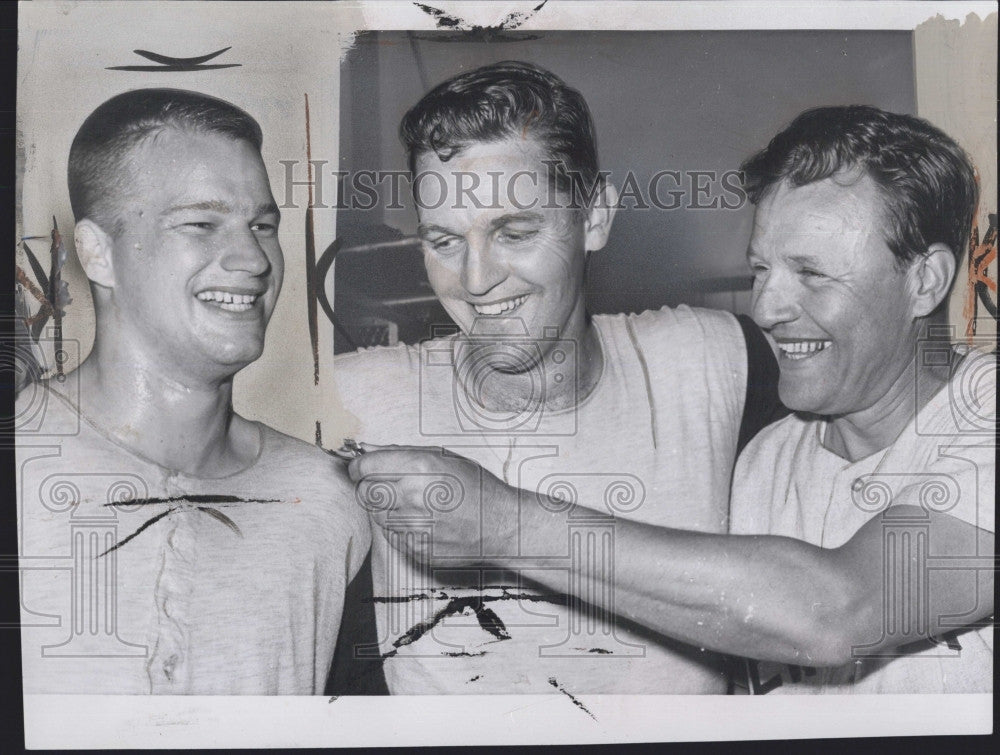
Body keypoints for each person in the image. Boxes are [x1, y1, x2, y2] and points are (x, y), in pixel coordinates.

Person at [350, 105, 995, 693]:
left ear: (924, 281)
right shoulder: (764, 463)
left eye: (812, 274)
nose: (768, 308)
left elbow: (839, 610)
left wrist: (506, 524)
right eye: (762, 269)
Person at [333, 61, 784, 695]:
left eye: (514, 232)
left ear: (595, 217)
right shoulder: (356, 396)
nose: (475, 280)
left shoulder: (713, 359)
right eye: (444, 240)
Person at [16, 88, 370, 694]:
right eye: (201, 223)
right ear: (97, 253)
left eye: (262, 225)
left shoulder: (332, 505)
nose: (253, 259)